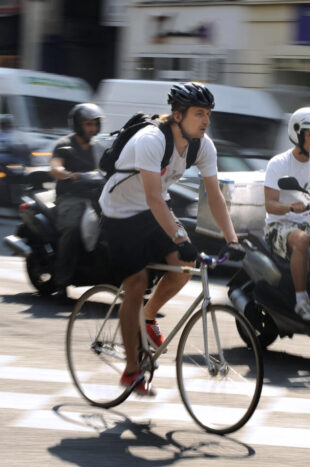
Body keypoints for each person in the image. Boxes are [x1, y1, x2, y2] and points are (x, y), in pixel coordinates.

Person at [98, 82, 243, 396]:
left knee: (186, 263)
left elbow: (215, 197)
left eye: (208, 114)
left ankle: (148, 317)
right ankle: (131, 371)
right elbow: (152, 196)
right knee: (135, 284)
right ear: (177, 116)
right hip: (121, 213)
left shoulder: (203, 146)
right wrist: (180, 236)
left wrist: (232, 239)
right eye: (199, 113)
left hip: (153, 211)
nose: (206, 120)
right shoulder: (151, 140)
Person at [263, 107, 310, 322]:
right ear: (298, 134)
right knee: (302, 239)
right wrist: (290, 207)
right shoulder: (279, 164)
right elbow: (270, 204)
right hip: (279, 226)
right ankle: (301, 300)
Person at [48, 103, 104, 297]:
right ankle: (61, 281)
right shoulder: (64, 145)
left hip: (96, 197)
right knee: (72, 230)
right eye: (88, 124)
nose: (92, 128)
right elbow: (55, 167)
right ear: (78, 125)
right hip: (71, 198)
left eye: (95, 124)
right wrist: (69, 175)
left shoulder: (99, 147)